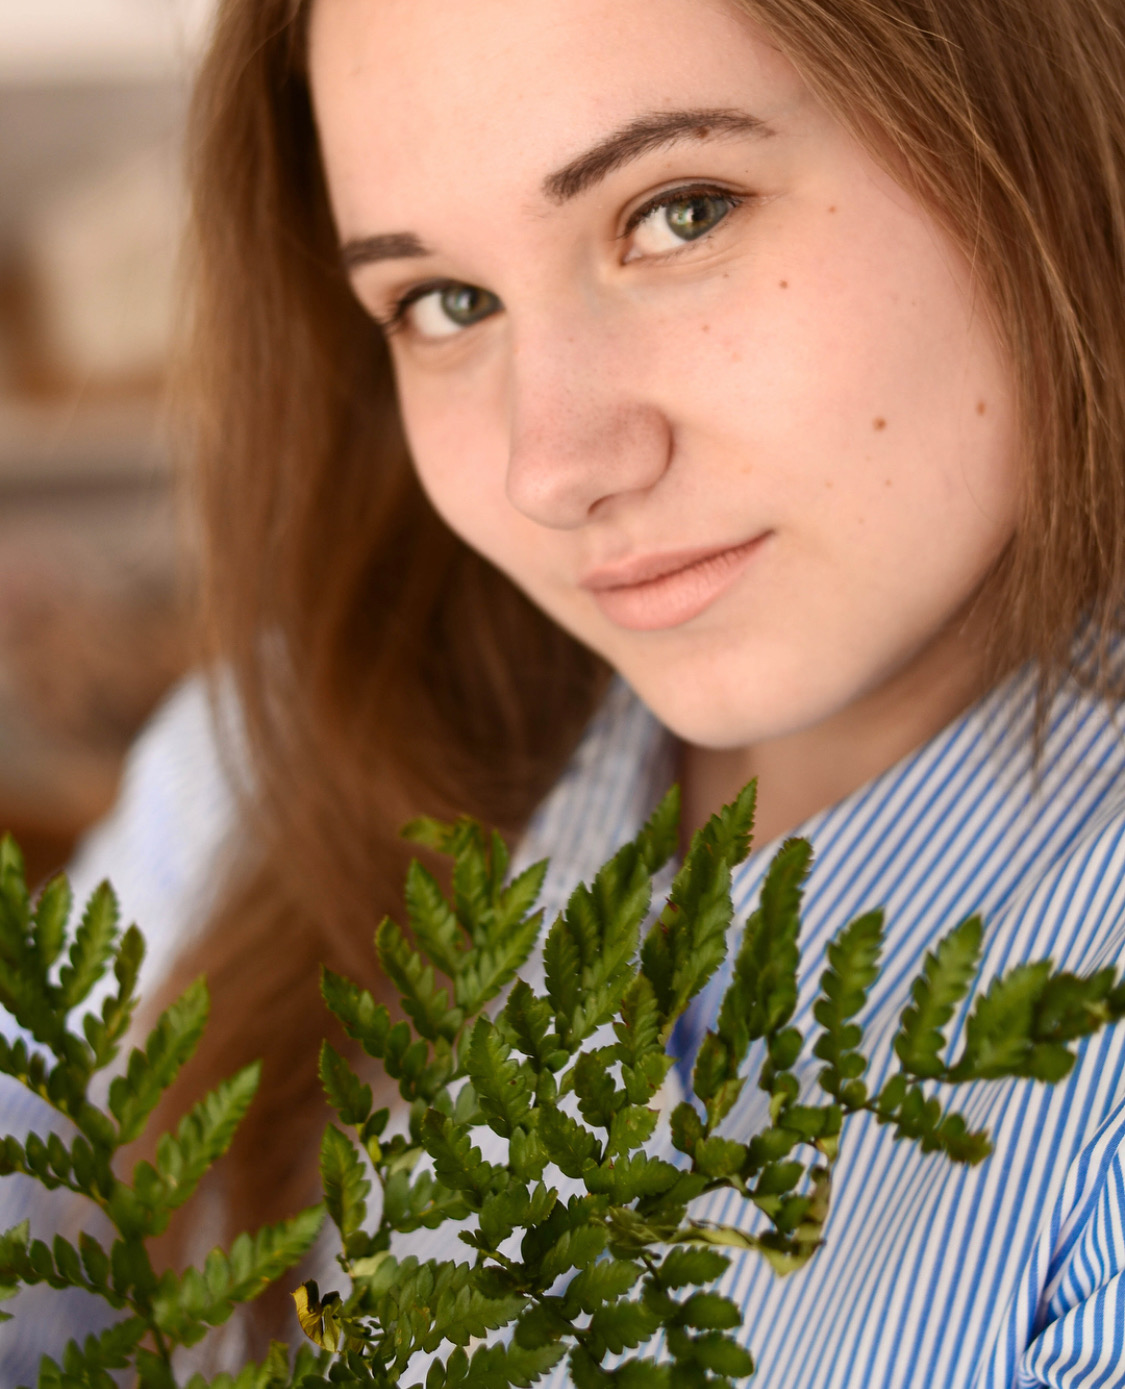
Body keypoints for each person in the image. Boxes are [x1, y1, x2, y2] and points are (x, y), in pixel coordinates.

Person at [4, 0, 1125, 1383]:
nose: (555, 463)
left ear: (1042, 116)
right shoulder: (286, 751)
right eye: (444, 302)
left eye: (679, 210)